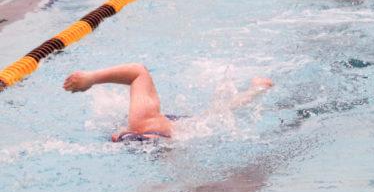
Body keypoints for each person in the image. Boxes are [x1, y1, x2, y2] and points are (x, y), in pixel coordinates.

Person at [64, 63, 273, 142]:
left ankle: (256, 89)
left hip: (157, 134)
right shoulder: (144, 124)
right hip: (161, 133)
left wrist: (89, 78)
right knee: (212, 118)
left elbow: (139, 72)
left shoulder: (143, 124)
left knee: (212, 118)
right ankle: (257, 89)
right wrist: (91, 78)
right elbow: (137, 73)